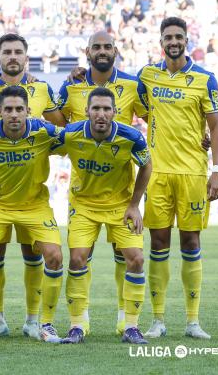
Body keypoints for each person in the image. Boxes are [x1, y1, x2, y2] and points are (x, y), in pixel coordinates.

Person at [0, 33, 66, 339]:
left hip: (34, 198)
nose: (12, 56)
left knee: (35, 254)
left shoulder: (42, 89)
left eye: (18, 52)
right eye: (6, 52)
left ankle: (36, 321)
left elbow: (62, 126)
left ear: (26, 56)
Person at [137, 17, 218, 340]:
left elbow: (215, 127)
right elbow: (136, 105)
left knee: (191, 243)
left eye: (178, 36)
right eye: (168, 36)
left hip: (192, 173)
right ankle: (158, 320)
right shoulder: (148, 75)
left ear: (187, 39)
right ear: (161, 41)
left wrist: (217, 170)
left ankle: (192, 321)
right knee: (158, 243)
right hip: (156, 173)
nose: (173, 41)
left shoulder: (205, 79)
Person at [57, 30, 147, 335]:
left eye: (106, 109)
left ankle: (130, 325)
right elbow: (47, 129)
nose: (101, 113)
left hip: (120, 204)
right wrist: (67, 83)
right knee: (78, 258)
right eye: (95, 108)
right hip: (83, 205)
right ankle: (78, 324)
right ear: (86, 111)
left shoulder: (130, 135)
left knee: (135, 258)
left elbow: (147, 164)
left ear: (115, 111)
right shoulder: (70, 132)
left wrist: (135, 205)